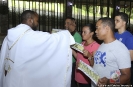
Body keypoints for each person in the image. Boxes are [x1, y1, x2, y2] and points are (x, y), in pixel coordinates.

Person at [0, 10, 75, 87]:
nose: (38, 23)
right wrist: (67, 33)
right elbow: (52, 40)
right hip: (20, 78)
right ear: (30, 20)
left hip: (9, 77)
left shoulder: (9, 36)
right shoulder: (29, 36)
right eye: (37, 20)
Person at [92, 17, 131, 87]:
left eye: (98, 28)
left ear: (107, 28)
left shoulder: (120, 49)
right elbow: (105, 66)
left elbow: (126, 76)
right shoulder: (102, 45)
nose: (96, 31)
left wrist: (109, 81)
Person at [114, 12, 133, 85]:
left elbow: (131, 57)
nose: (115, 22)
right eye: (114, 20)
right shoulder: (114, 35)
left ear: (124, 22)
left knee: (122, 83)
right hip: (114, 68)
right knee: (114, 83)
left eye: (117, 20)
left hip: (123, 69)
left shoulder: (129, 37)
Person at [65, 17, 82, 87]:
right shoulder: (66, 34)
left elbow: (77, 52)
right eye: (65, 23)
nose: (66, 25)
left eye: (68, 23)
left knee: (72, 82)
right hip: (67, 62)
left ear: (73, 25)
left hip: (73, 63)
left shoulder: (77, 36)